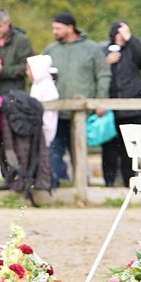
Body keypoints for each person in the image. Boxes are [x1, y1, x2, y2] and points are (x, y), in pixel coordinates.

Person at [43, 12, 110, 186]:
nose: (54, 31)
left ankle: (82, 188)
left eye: (57, 28)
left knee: (78, 152)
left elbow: (103, 75)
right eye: (53, 28)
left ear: (70, 28)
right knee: (53, 151)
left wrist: (100, 100)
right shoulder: (51, 50)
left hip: (82, 111)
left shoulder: (91, 48)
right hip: (56, 111)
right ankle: (54, 188)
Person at [103, 21, 141, 186]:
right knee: (110, 148)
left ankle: (130, 182)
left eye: (124, 34)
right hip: (111, 109)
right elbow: (98, 74)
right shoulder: (104, 52)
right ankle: (109, 182)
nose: (121, 37)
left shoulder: (133, 51)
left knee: (131, 149)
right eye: (118, 34)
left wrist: (130, 38)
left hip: (133, 107)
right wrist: (106, 63)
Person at [26, 54, 60, 149]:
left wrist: (42, 126)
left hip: (44, 130)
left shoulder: (47, 85)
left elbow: (49, 114)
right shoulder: (37, 85)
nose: (27, 73)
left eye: (29, 69)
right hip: (37, 128)